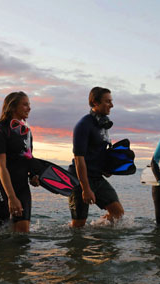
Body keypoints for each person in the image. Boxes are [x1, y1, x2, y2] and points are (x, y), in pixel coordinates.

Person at [68, 86, 124, 227]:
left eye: (111, 101)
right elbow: (78, 159)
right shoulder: (83, 125)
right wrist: (85, 189)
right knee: (79, 225)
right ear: (95, 102)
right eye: (107, 101)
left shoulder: (103, 125)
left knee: (118, 213)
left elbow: (99, 152)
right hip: (79, 179)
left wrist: (106, 168)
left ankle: (97, 232)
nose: (111, 105)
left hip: (97, 177)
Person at [0, 91, 40, 232]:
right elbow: (1, 166)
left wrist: (33, 175)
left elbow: (29, 157)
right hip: (2, 186)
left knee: (23, 231)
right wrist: (11, 196)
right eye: (25, 104)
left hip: (21, 185)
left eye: (29, 105)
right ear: (12, 107)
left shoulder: (27, 132)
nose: (29, 108)